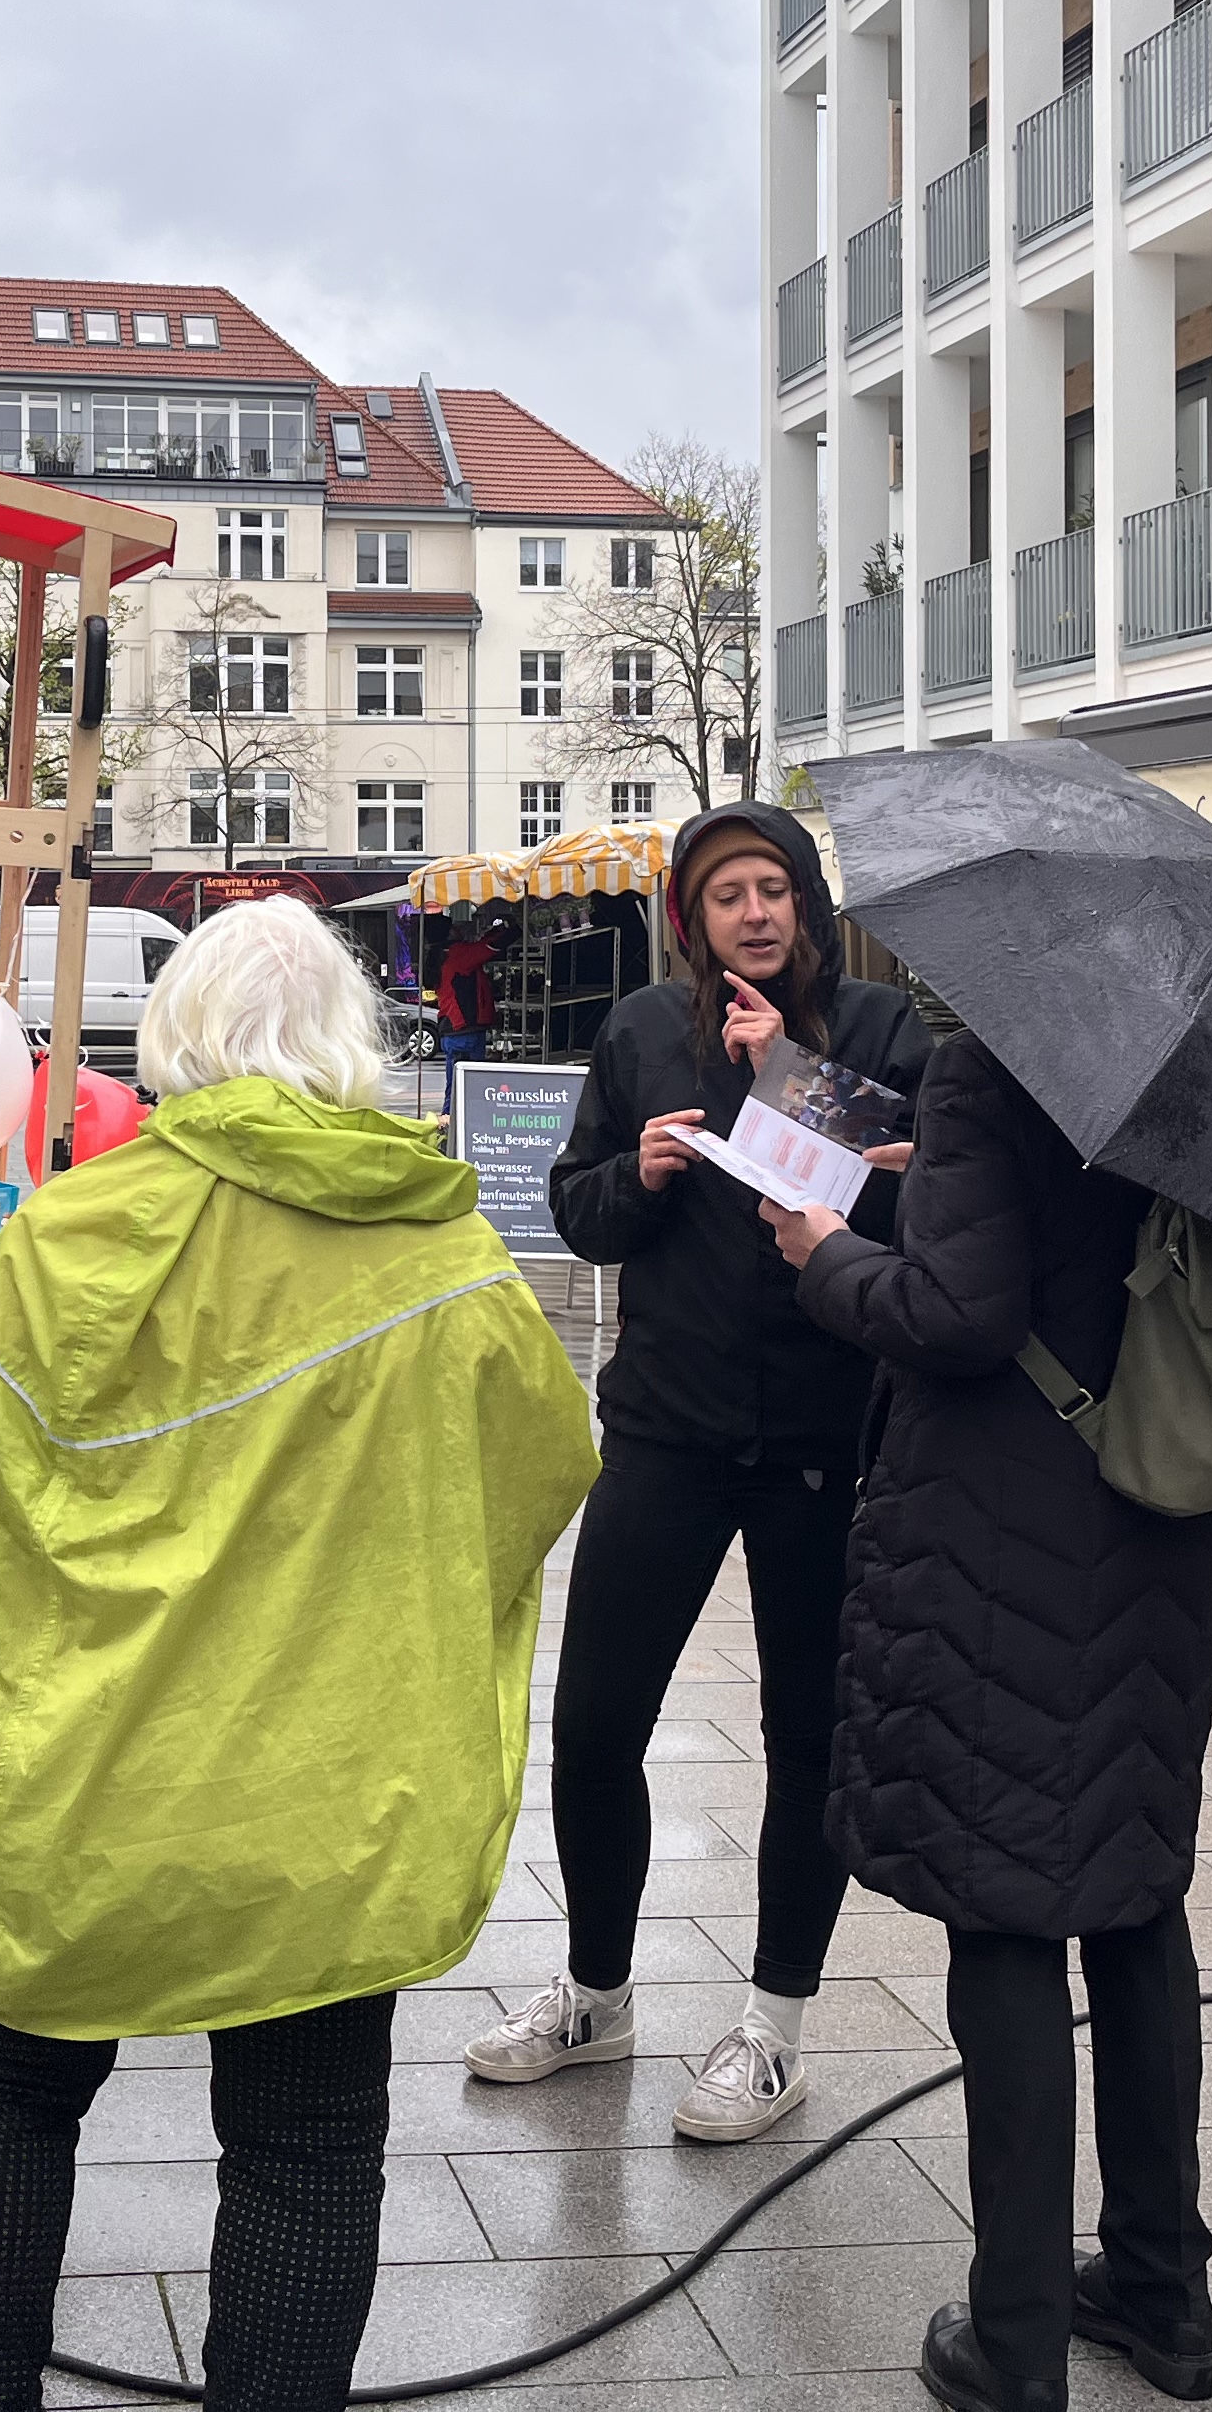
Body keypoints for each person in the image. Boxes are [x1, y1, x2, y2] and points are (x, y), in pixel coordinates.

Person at [0, 898, 596, 2412]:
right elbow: (541, 1471)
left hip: (75, 1788)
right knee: (309, 2146)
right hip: (323, 1805)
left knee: (4, 2095)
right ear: (353, 1041)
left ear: (176, 1041)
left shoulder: (67, 1236)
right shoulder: (450, 1257)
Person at [768, 1029, 1212, 2412]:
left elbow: (962, 1313)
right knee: (1137, 1894)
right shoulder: (1197, 1071)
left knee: (1008, 1905)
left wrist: (824, 1255)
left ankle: (1016, 2338)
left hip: (1004, 1530)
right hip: (1157, 1504)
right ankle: (1163, 2289)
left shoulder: (996, 1064)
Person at [486, 804, 927, 2142]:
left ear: (807, 906)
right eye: (729, 892)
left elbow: (923, 1201)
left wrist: (787, 1070)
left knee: (808, 1739)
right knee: (595, 1720)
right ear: (692, 916)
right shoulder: (636, 1033)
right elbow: (574, 1210)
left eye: (775, 888)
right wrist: (645, 1168)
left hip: (820, 1438)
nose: (755, 910)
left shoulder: (878, 1029)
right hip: (666, 1428)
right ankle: (597, 1988)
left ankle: (772, 2029)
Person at [432, 912, 500, 1067]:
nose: (460, 929)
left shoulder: (438, 955)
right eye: (454, 927)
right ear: (449, 933)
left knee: (456, 1082)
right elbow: (490, 948)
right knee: (471, 1082)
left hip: (452, 1025)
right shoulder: (458, 953)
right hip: (464, 1025)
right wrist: (514, 929)